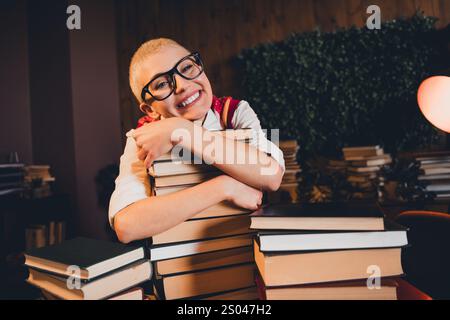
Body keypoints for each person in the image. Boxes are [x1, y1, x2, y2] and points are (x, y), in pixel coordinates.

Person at [109, 38, 285, 243]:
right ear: (149, 110)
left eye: (187, 67)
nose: (182, 85)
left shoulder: (235, 112)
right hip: (178, 262)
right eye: (162, 83)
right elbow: (127, 227)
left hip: (243, 251)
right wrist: (225, 187)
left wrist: (182, 130)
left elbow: (272, 175)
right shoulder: (141, 139)